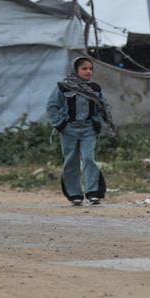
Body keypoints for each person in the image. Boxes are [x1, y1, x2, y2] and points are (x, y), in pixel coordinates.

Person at [46, 57, 112, 206]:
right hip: (69, 129)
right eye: (84, 68)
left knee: (89, 158)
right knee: (71, 160)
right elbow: (52, 106)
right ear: (75, 70)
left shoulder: (94, 88)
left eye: (90, 69)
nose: (88, 71)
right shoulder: (63, 87)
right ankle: (74, 194)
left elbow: (102, 107)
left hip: (88, 129)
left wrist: (98, 123)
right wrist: (60, 124)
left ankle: (93, 193)